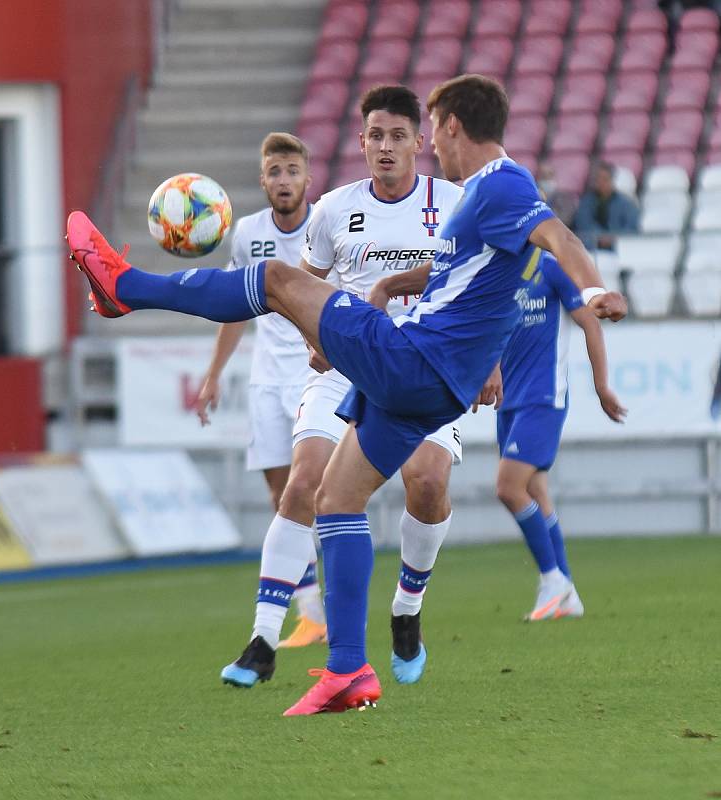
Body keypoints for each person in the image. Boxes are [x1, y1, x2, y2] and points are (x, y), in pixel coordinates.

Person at [66, 73, 627, 717]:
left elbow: (562, 238)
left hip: (414, 361)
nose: (428, 149)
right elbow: (463, 270)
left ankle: (125, 286)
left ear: (446, 127)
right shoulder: (476, 198)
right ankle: (348, 671)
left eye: (428, 132)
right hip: (432, 382)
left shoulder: (501, 185)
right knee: (336, 497)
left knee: (275, 279)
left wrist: (590, 292)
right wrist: (389, 286)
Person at [220, 85, 466, 690]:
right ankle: (263, 638)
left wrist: (490, 363)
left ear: (421, 142)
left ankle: (406, 610)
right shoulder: (333, 209)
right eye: (375, 136)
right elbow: (305, 284)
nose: (385, 146)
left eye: (398, 136)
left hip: (427, 370)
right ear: (361, 141)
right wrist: (315, 333)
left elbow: (486, 284)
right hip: (348, 369)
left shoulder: (456, 204)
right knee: (304, 483)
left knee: (428, 483)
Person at [195, 132, 327, 649]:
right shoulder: (247, 233)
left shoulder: (326, 225)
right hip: (267, 379)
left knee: (315, 493)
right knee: (281, 495)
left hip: (318, 375)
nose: (284, 180)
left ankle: (330, 603)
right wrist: (212, 375)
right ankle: (312, 614)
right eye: (275, 172)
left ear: (307, 178)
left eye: (292, 170)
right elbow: (235, 307)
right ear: (263, 180)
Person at [493, 252, 626, 621]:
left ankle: (552, 579)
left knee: (508, 488)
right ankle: (567, 591)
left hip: (542, 398)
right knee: (536, 493)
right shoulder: (497, 268)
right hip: (508, 403)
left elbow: (591, 324)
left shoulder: (551, 265)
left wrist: (602, 387)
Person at [573, 161, 639, 252]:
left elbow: (631, 227)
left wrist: (613, 238)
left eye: (605, 179)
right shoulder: (586, 202)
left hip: (620, 251)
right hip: (592, 251)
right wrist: (600, 237)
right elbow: (583, 224)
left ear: (613, 180)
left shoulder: (626, 204)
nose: (601, 182)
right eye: (598, 179)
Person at [537, 161, 578, 228]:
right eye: (543, 175)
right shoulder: (534, 199)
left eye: (549, 175)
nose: (546, 178)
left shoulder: (564, 197)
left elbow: (566, 220)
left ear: (554, 176)